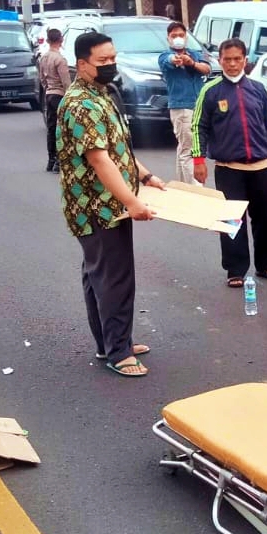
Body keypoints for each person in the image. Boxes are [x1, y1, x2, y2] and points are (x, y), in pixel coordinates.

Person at [57, 31, 169, 378]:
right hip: (98, 208)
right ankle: (118, 353)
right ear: (82, 64)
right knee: (114, 278)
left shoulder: (102, 95)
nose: (110, 66)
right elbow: (99, 159)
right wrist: (133, 202)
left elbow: (119, 151)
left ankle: (111, 341)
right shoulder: (80, 104)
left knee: (98, 276)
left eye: (112, 59)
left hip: (107, 204)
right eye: (102, 61)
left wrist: (146, 177)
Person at [191, 38, 267, 286]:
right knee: (231, 221)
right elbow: (198, 126)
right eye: (227, 59)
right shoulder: (211, 91)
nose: (232, 64)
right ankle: (235, 270)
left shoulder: (258, 89)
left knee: (265, 219)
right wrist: (198, 159)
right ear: (220, 61)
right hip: (229, 169)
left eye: (237, 59)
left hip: (261, 166)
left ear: (245, 61)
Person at [157, 20, 211, 182]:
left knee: (184, 148)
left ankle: (182, 187)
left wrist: (191, 63)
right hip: (181, 108)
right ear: (168, 38)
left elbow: (206, 69)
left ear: (186, 36)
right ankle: (195, 189)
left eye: (181, 35)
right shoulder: (164, 56)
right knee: (190, 150)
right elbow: (170, 60)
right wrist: (177, 59)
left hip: (197, 106)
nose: (178, 38)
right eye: (174, 36)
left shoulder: (195, 54)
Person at [38, 28, 71, 173]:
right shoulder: (60, 60)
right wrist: (70, 97)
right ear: (61, 40)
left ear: (47, 40)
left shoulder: (43, 58)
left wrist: (48, 89)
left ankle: (51, 160)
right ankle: (59, 161)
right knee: (62, 129)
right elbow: (66, 82)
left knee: (51, 128)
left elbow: (42, 79)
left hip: (49, 95)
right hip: (60, 96)